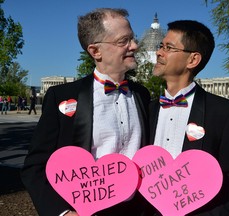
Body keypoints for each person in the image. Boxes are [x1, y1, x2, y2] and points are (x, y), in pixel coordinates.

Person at [21, 8, 150, 216]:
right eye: (123, 41)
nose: (134, 46)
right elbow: (35, 167)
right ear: (95, 51)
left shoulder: (142, 95)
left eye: (132, 39)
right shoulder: (60, 97)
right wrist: (62, 213)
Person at [149, 20, 229, 215]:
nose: (159, 53)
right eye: (160, 46)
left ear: (192, 60)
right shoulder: (147, 109)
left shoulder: (225, 113)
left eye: (168, 47)